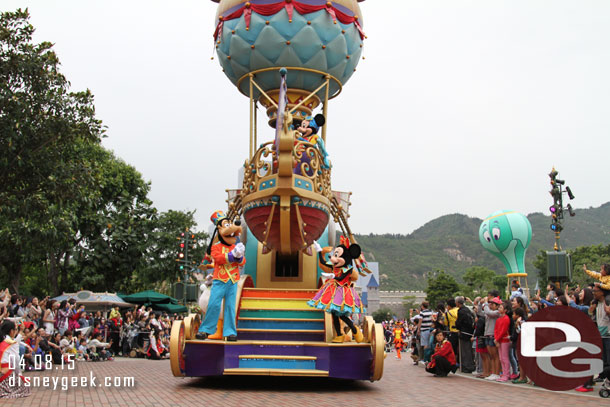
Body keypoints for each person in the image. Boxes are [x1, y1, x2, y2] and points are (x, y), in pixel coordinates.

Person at [196, 211, 245, 341]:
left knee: (230, 306)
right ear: (219, 229)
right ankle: (206, 330)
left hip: (233, 280)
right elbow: (218, 259)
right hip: (219, 279)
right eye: (227, 225)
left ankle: (229, 332)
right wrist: (232, 256)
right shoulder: (216, 247)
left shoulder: (235, 245)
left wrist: (239, 257)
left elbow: (243, 261)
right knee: (213, 304)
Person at [0, 320, 30, 398]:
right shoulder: (8, 343)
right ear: (11, 331)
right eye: (15, 330)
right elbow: (15, 362)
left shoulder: (4, 340)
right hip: (4, 373)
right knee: (25, 388)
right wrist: (19, 375)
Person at [455, 296, 475, 373]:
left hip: (464, 332)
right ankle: (469, 365)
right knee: (468, 350)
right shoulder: (467, 310)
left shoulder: (461, 311)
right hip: (469, 332)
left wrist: (457, 326)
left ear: (457, 303)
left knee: (465, 350)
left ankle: (466, 366)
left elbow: (459, 322)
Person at [494, 301, 511, 382]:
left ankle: (506, 374)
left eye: (501, 308)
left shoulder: (506, 319)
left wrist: (497, 339)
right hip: (499, 340)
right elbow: (496, 330)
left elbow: (503, 330)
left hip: (504, 340)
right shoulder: (499, 319)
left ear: (505, 310)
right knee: (501, 358)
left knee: (504, 358)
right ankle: (504, 373)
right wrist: (496, 339)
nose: (499, 309)